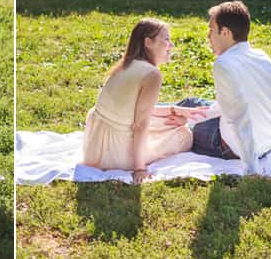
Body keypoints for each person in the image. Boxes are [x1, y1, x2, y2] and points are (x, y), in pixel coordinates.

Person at [155, 0, 271, 175]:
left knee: (176, 119)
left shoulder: (224, 64)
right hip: (266, 144)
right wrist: (191, 117)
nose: (208, 37)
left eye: (211, 31)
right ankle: (145, 110)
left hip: (232, 147)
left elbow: (239, 118)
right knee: (190, 104)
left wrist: (252, 169)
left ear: (225, 33)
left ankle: (135, 112)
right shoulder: (262, 57)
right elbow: (232, 106)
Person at [81, 18, 199, 183]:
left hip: (94, 147)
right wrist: (139, 168)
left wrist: (174, 110)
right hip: (115, 153)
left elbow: (132, 111)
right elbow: (140, 124)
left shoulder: (124, 65)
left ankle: (171, 122)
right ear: (148, 42)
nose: (171, 45)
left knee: (173, 121)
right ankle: (138, 158)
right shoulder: (152, 74)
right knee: (184, 135)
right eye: (166, 39)